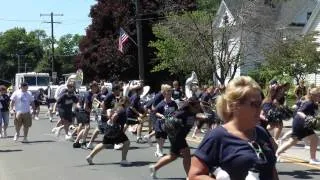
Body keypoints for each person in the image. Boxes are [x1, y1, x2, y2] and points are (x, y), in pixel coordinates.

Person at [188, 76, 278, 180]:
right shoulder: (217, 136)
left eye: (260, 104)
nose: (260, 109)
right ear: (235, 106)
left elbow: (271, 170)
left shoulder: (261, 132)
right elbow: (195, 175)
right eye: (254, 104)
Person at [149, 96, 202, 179]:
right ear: (191, 105)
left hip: (180, 135)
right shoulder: (182, 112)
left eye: (199, 104)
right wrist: (175, 123)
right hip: (176, 135)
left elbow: (199, 116)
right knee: (187, 153)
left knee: (173, 156)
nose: (199, 106)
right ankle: (189, 176)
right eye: (197, 105)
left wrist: (205, 118)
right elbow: (170, 120)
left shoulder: (194, 111)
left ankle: (154, 168)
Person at [276, 87, 320, 165]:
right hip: (300, 123)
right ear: (313, 95)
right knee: (295, 141)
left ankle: (276, 154)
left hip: (304, 124)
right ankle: (312, 159)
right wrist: (307, 117)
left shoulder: (314, 103)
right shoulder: (308, 103)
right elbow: (300, 112)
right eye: (319, 95)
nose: (319, 97)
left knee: (295, 141)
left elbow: (315, 113)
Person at [86, 96, 131, 166]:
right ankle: (123, 160)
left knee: (106, 144)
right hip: (114, 130)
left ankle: (90, 156)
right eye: (128, 102)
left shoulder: (118, 107)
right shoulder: (121, 109)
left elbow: (110, 113)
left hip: (113, 129)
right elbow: (114, 116)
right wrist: (114, 124)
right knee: (125, 142)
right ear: (125, 102)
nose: (129, 104)